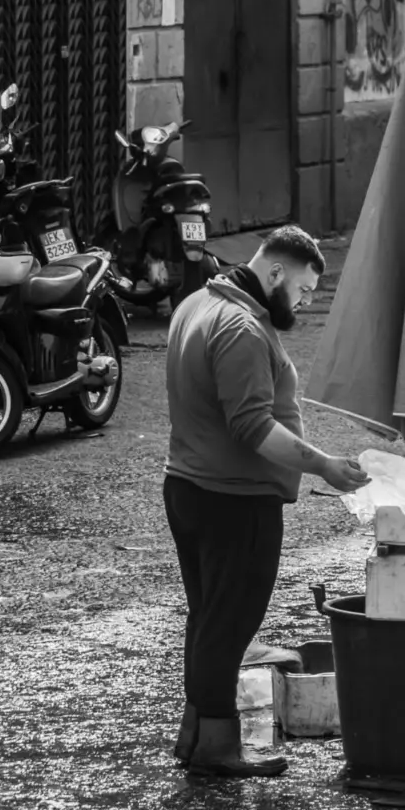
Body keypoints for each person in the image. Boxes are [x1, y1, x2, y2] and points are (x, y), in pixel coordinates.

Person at [163, 225, 371, 778]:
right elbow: (253, 427)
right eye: (302, 290)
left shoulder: (197, 303)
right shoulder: (241, 329)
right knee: (229, 622)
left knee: (210, 617)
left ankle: (197, 734)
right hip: (232, 498)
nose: (303, 302)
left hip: (188, 486)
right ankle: (216, 747)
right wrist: (324, 464)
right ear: (275, 272)